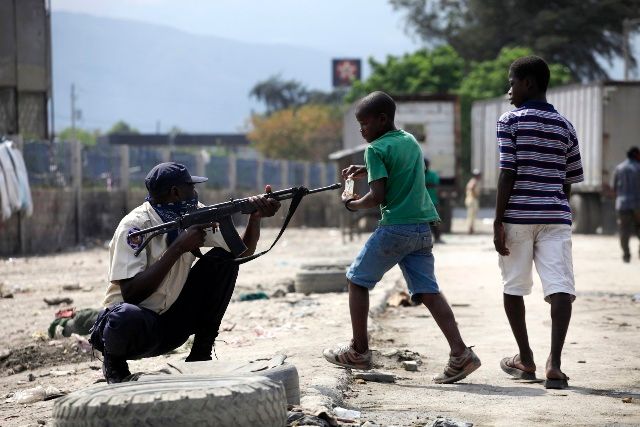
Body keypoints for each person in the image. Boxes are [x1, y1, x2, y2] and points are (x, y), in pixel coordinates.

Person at [322, 91, 481, 384]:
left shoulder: (375, 149)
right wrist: (366, 169)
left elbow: (378, 196)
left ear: (382, 120)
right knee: (429, 291)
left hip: (396, 228)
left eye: (365, 124)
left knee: (356, 280)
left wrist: (353, 204)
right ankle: (461, 354)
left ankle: (358, 351)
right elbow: (401, 170)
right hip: (422, 228)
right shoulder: (409, 140)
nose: (362, 130)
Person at [89, 162, 280, 383]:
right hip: (133, 331)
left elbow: (242, 251)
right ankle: (115, 365)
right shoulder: (135, 227)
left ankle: (201, 353)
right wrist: (178, 248)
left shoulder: (192, 212)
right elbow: (132, 293)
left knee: (224, 259)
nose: (195, 191)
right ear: (175, 192)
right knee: (123, 316)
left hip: (172, 324)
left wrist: (255, 218)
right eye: (190, 186)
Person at [493, 56, 583, 390]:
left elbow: (508, 173)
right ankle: (554, 365)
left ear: (528, 83)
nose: (509, 91)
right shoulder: (566, 126)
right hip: (556, 216)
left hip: (518, 216)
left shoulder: (509, 121)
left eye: (512, 82)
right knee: (560, 287)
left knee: (513, 287)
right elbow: (569, 180)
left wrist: (497, 220)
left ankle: (526, 358)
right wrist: (554, 207)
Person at [612, 146, 640, 263]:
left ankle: (626, 255)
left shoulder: (619, 168)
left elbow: (614, 188)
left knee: (624, 231)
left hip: (622, 205)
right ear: (636, 155)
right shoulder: (638, 168)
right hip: (637, 205)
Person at [424, 158, 444, 243]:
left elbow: (436, 186)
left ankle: (437, 237)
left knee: (434, 221)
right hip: (421, 202)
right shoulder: (418, 174)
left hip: (432, 201)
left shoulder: (432, 174)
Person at [464, 169, 482, 234]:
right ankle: (470, 229)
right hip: (472, 199)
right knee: (471, 215)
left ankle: (471, 228)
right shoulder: (474, 181)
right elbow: (471, 188)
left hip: (471, 199)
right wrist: (475, 194)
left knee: (472, 215)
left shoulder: (472, 181)